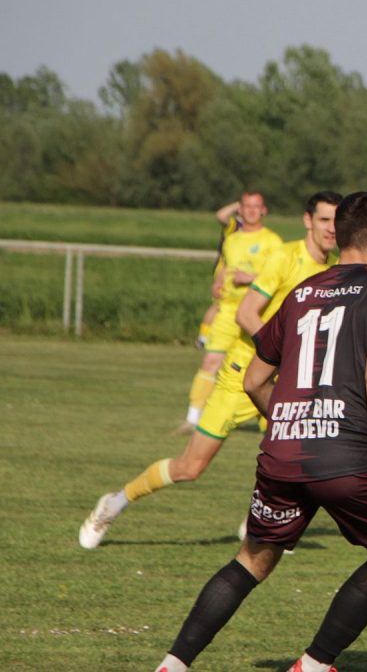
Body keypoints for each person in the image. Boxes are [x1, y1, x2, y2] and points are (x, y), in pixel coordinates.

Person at [153, 192, 367, 672]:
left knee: (251, 559)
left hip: (283, 452)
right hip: (347, 456)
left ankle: (173, 664)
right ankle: (313, 664)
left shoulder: (302, 292)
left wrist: (293, 422)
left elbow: (254, 380)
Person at [79, 191, 343, 550]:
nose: (332, 229)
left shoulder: (335, 271)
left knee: (302, 456)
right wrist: (283, 351)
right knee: (190, 467)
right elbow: (246, 314)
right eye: (325, 220)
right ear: (308, 220)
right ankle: (114, 503)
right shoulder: (285, 257)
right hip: (243, 376)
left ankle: (259, 524)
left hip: (286, 381)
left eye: (337, 221)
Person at [176, 191, 282, 434]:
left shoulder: (272, 241)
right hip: (228, 311)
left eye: (256, 206)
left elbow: (278, 276)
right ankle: (193, 418)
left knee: (263, 368)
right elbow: (227, 266)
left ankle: (270, 419)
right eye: (247, 206)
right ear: (240, 210)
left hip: (256, 313)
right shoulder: (232, 239)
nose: (252, 211)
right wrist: (219, 281)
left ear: (264, 210)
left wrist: (251, 278)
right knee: (211, 361)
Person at [194, 200, 245, 350]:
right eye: (247, 207)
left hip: (243, 272)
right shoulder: (235, 224)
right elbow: (221, 215)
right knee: (219, 304)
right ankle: (203, 337)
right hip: (226, 270)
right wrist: (238, 204)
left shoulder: (257, 231)